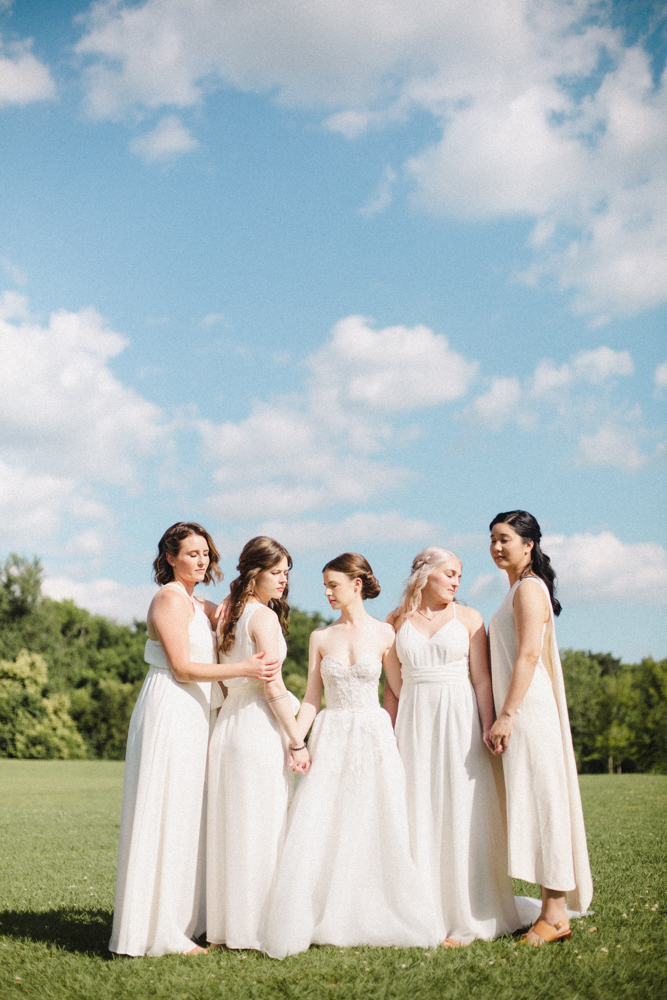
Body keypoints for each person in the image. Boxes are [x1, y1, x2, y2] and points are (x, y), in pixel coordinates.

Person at [109, 522, 280, 958]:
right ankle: (157, 929)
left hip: (195, 713)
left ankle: (184, 920)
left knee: (187, 816)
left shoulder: (197, 603)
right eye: (192, 553)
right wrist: (243, 671)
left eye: (206, 553)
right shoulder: (168, 599)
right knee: (166, 811)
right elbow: (182, 667)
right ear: (170, 558)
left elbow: (230, 612)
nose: (201, 560)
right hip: (170, 706)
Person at [261, 553, 438, 959]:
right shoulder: (321, 638)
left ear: (357, 584)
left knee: (377, 820)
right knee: (325, 821)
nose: (326, 592)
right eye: (325, 585)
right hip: (333, 732)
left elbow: (396, 690)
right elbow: (309, 698)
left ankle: (377, 909)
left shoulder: (386, 635)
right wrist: (296, 740)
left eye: (333, 585)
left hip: (374, 735)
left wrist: (393, 736)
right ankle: (321, 913)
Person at [385, 547, 522, 946]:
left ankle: (469, 913)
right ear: (425, 574)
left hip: (460, 719)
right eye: (449, 573)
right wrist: (386, 735)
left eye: (459, 575)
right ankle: (422, 911)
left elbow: (481, 678)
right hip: (413, 719)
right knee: (418, 807)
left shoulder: (469, 618)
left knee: (462, 807)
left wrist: (488, 725)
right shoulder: (395, 622)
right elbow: (393, 690)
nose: (456, 581)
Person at [488, 511, 593, 946]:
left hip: (528, 711)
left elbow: (529, 656)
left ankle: (553, 915)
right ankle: (550, 910)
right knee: (533, 804)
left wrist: (507, 714)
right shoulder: (517, 587)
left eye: (505, 539)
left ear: (528, 544)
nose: (496, 547)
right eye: (492, 539)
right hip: (521, 709)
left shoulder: (530, 589)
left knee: (545, 803)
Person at [206, 537, 309, 951]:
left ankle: (230, 926)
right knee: (261, 826)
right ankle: (257, 926)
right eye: (276, 572)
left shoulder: (226, 614)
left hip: (229, 727)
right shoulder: (262, 617)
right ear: (255, 572)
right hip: (258, 728)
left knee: (233, 827)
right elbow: (273, 687)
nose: (284, 580)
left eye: (287, 572)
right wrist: (297, 739)